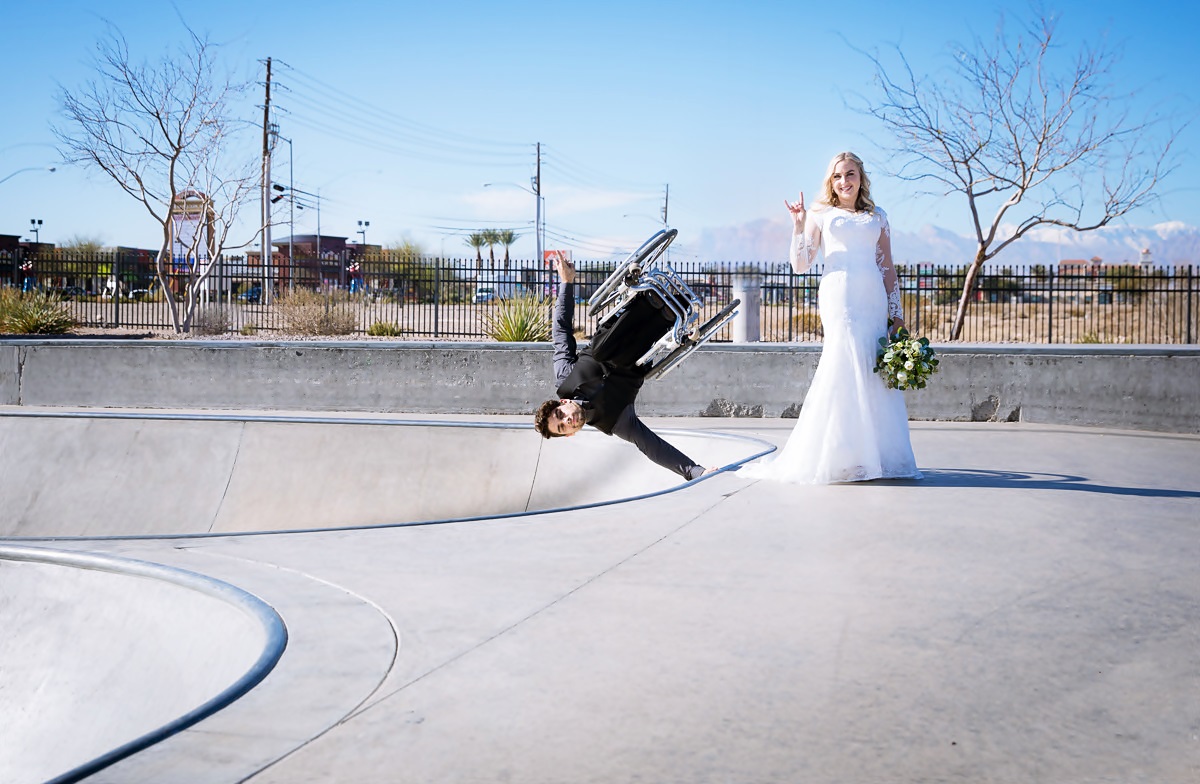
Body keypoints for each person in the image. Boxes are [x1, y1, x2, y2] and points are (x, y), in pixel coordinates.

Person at [738, 151, 921, 484]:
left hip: (872, 298)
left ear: (861, 178)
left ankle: (874, 456)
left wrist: (897, 314)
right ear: (831, 181)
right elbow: (801, 263)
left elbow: (887, 267)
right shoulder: (821, 214)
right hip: (839, 296)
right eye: (837, 176)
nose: (844, 181)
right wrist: (798, 226)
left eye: (850, 174)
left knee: (871, 368)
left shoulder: (878, 216)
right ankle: (840, 456)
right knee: (843, 362)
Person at [533, 256, 710, 481]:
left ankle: (637, 292)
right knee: (628, 361)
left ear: (564, 403)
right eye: (562, 427)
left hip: (620, 326)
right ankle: (669, 319)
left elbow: (561, 331)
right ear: (569, 434)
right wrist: (695, 471)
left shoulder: (565, 377)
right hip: (646, 344)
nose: (566, 421)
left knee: (598, 352)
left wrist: (566, 283)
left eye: (560, 415)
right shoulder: (615, 422)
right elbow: (651, 445)